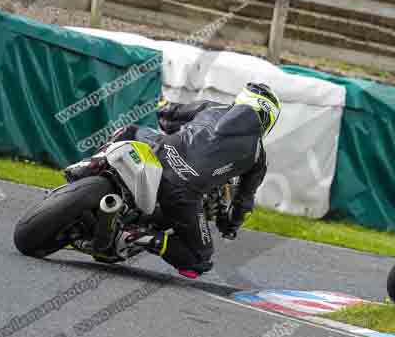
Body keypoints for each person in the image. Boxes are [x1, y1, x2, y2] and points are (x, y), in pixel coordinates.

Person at [65, 83, 281, 279]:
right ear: (268, 121)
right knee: (200, 260)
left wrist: (164, 107)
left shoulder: (211, 107)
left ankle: (93, 163)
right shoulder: (258, 158)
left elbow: (167, 116)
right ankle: (138, 236)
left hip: (159, 153)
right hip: (182, 193)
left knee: (130, 130)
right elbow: (243, 203)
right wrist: (230, 226)